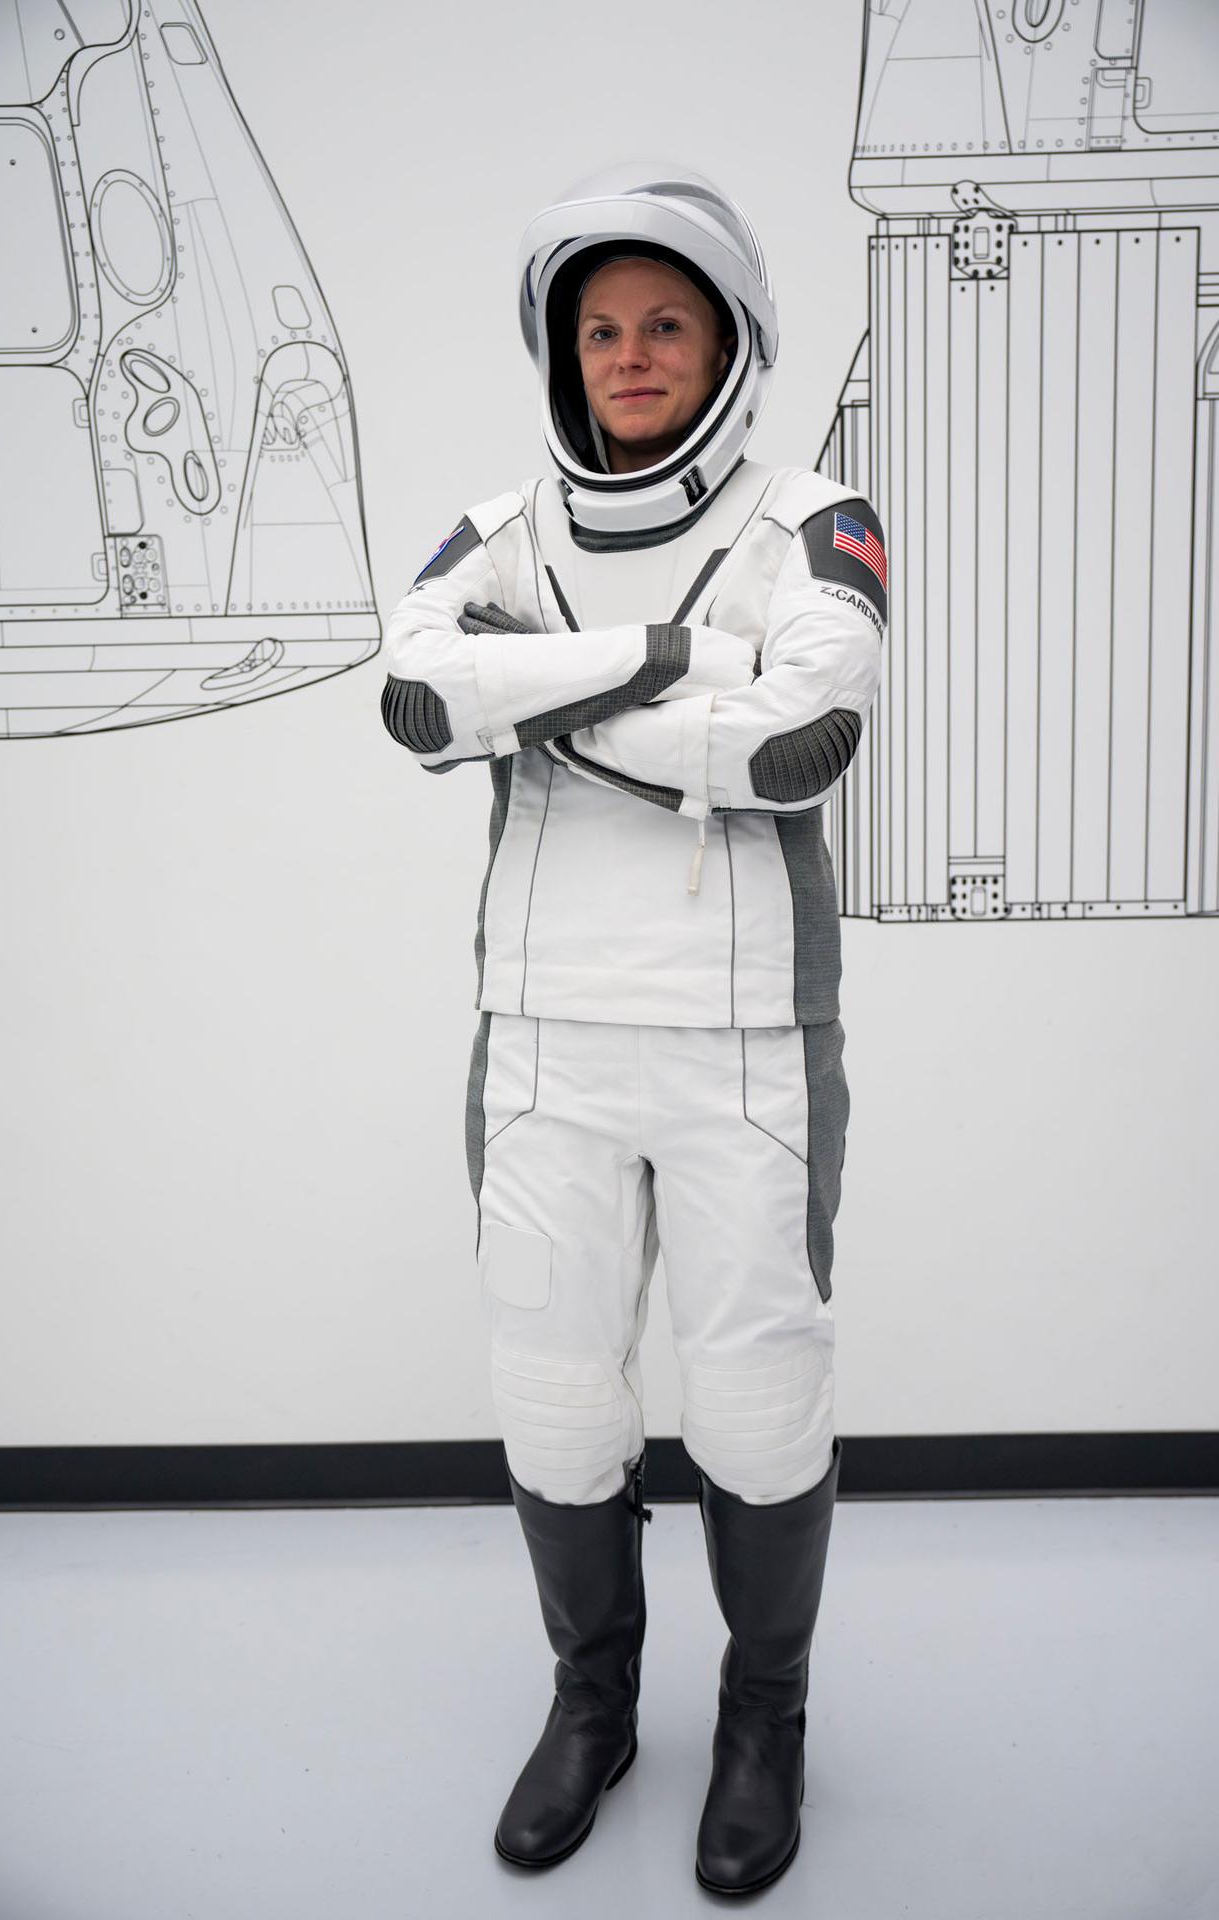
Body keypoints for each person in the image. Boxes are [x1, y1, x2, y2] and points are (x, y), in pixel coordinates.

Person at [380, 161, 887, 1896]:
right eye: (600, 327)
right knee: (551, 1401)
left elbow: (797, 747)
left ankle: (766, 1717)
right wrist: (674, 661)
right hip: (541, 1045)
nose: (631, 352)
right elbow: (419, 696)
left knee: (755, 1405)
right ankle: (592, 1704)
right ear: (563, 352)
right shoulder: (496, 524)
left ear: (730, 337)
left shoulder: (818, 517)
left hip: (745, 1040)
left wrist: (557, 676)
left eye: (666, 320)